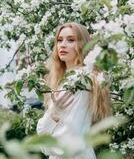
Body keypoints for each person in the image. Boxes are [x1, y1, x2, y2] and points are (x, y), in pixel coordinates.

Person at [36, 22, 111, 159]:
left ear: (83, 44)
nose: (63, 45)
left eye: (71, 40)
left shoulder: (78, 81)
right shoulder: (71, 78)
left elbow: (62, 144)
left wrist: (45, 139)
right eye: (59, 40)